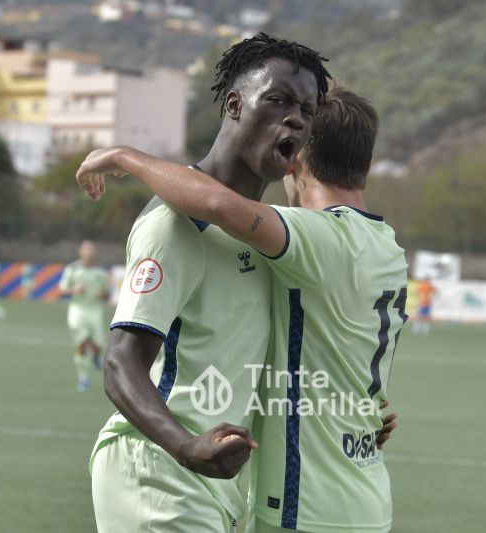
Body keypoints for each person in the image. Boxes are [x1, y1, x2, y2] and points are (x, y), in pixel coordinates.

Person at [77, 87, 407, 533]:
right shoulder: (389, 248)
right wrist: (363, 413)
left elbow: (215, 202)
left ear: (295, 160)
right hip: (367, 497)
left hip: (305, 504)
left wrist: (123, 157)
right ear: (367, 165)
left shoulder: (314, 236)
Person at [83, 33, 331, 533]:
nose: (296, 119)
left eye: (307, 109)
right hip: (157, 470)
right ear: (235, 105)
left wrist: (352, 413)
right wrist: (186, 446)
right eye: (279, 100)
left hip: (217, 481)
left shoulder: (268, 231)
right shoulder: (173, 226)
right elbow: (119, 364)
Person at [58, 241, 110, 391]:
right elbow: (62, 290)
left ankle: (95, 355)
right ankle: (83, 379)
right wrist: (74, 289)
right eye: (86, 249)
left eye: (92, 249)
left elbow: (107, 294)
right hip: (77, 310)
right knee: (81, 344)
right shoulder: (72, 269)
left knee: (98, 346)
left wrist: (103, 294)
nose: (89, 252)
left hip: (95, 311)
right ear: (80, 253)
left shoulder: (102, 272)